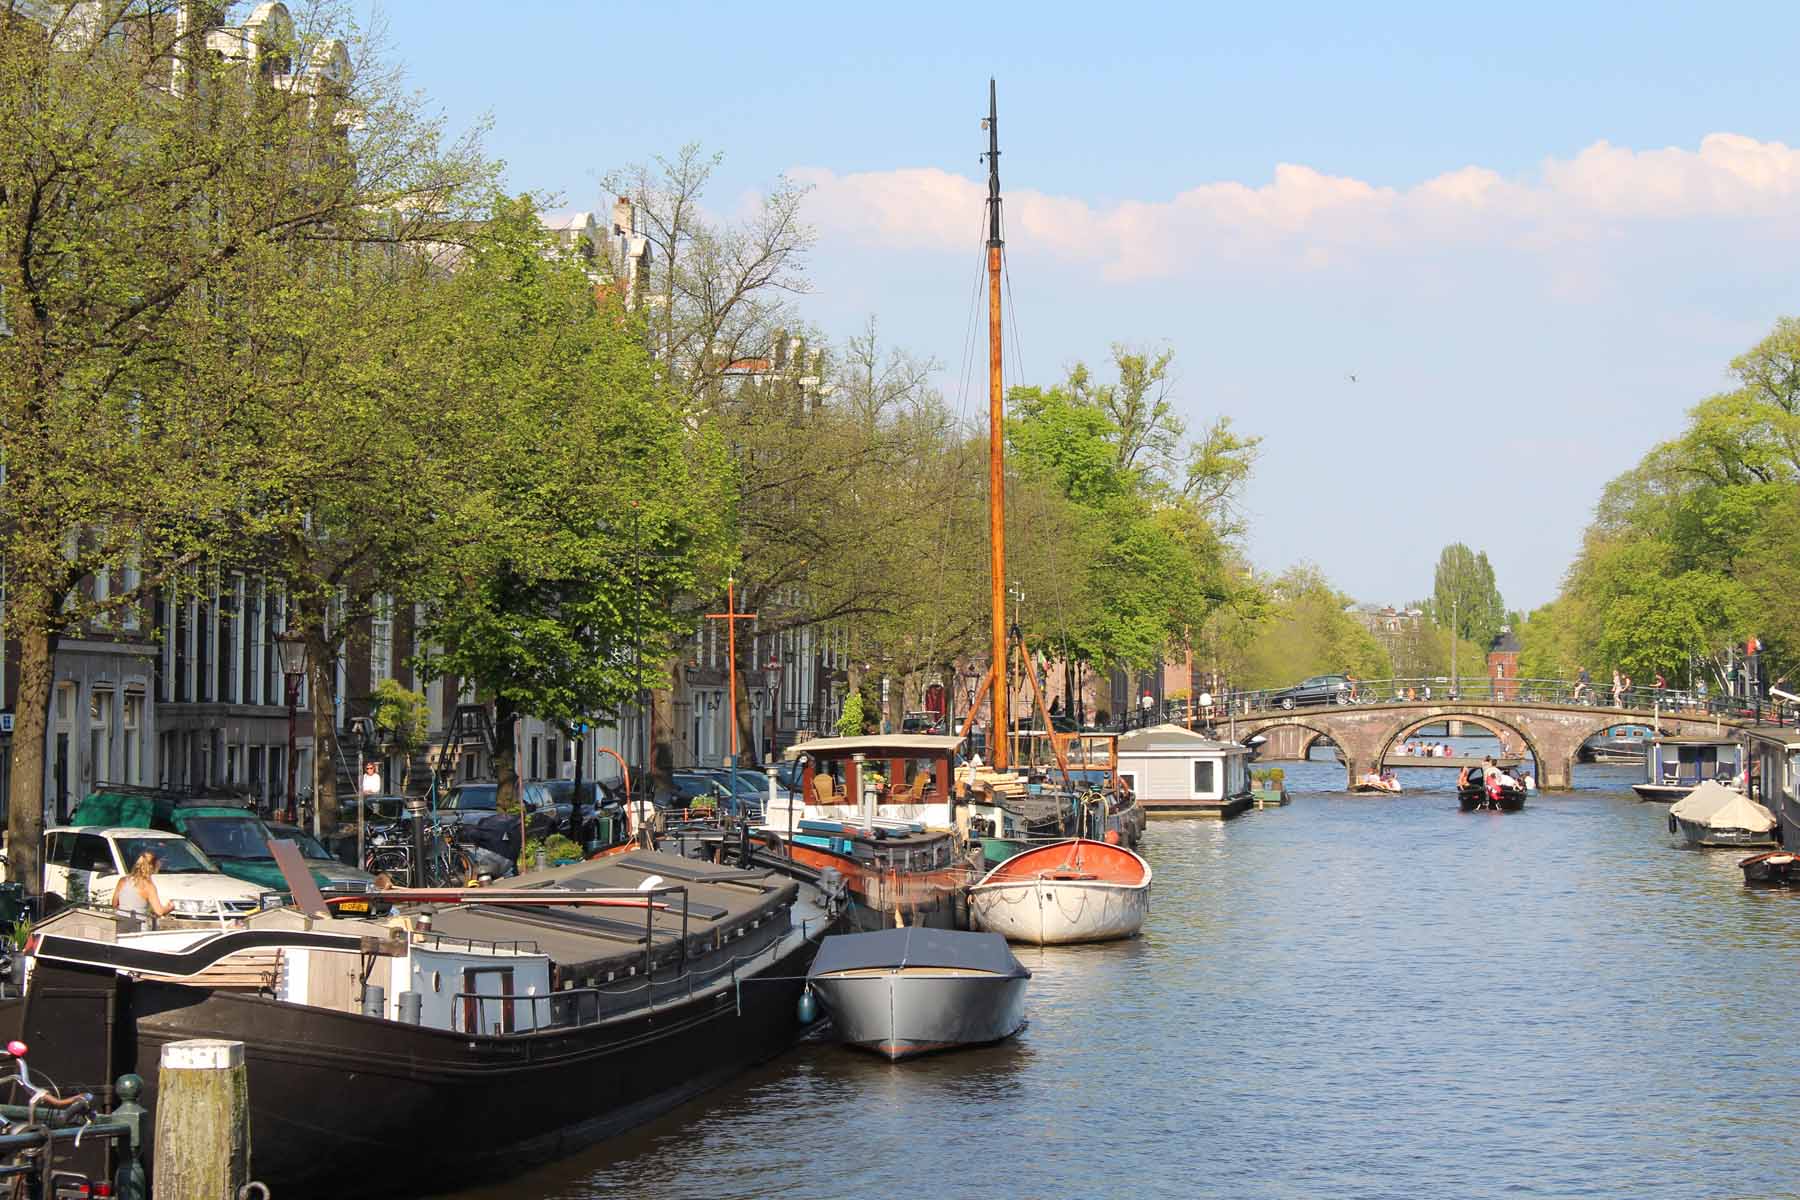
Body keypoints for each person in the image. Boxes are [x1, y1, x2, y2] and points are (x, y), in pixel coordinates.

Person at [113, 851, 174, 923]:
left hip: (120, 923)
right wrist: (170, 907)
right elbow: (159, 911)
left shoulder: (122, 881)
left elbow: (114, 903)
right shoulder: (148, 886)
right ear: (153, 867)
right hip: (139, 925)